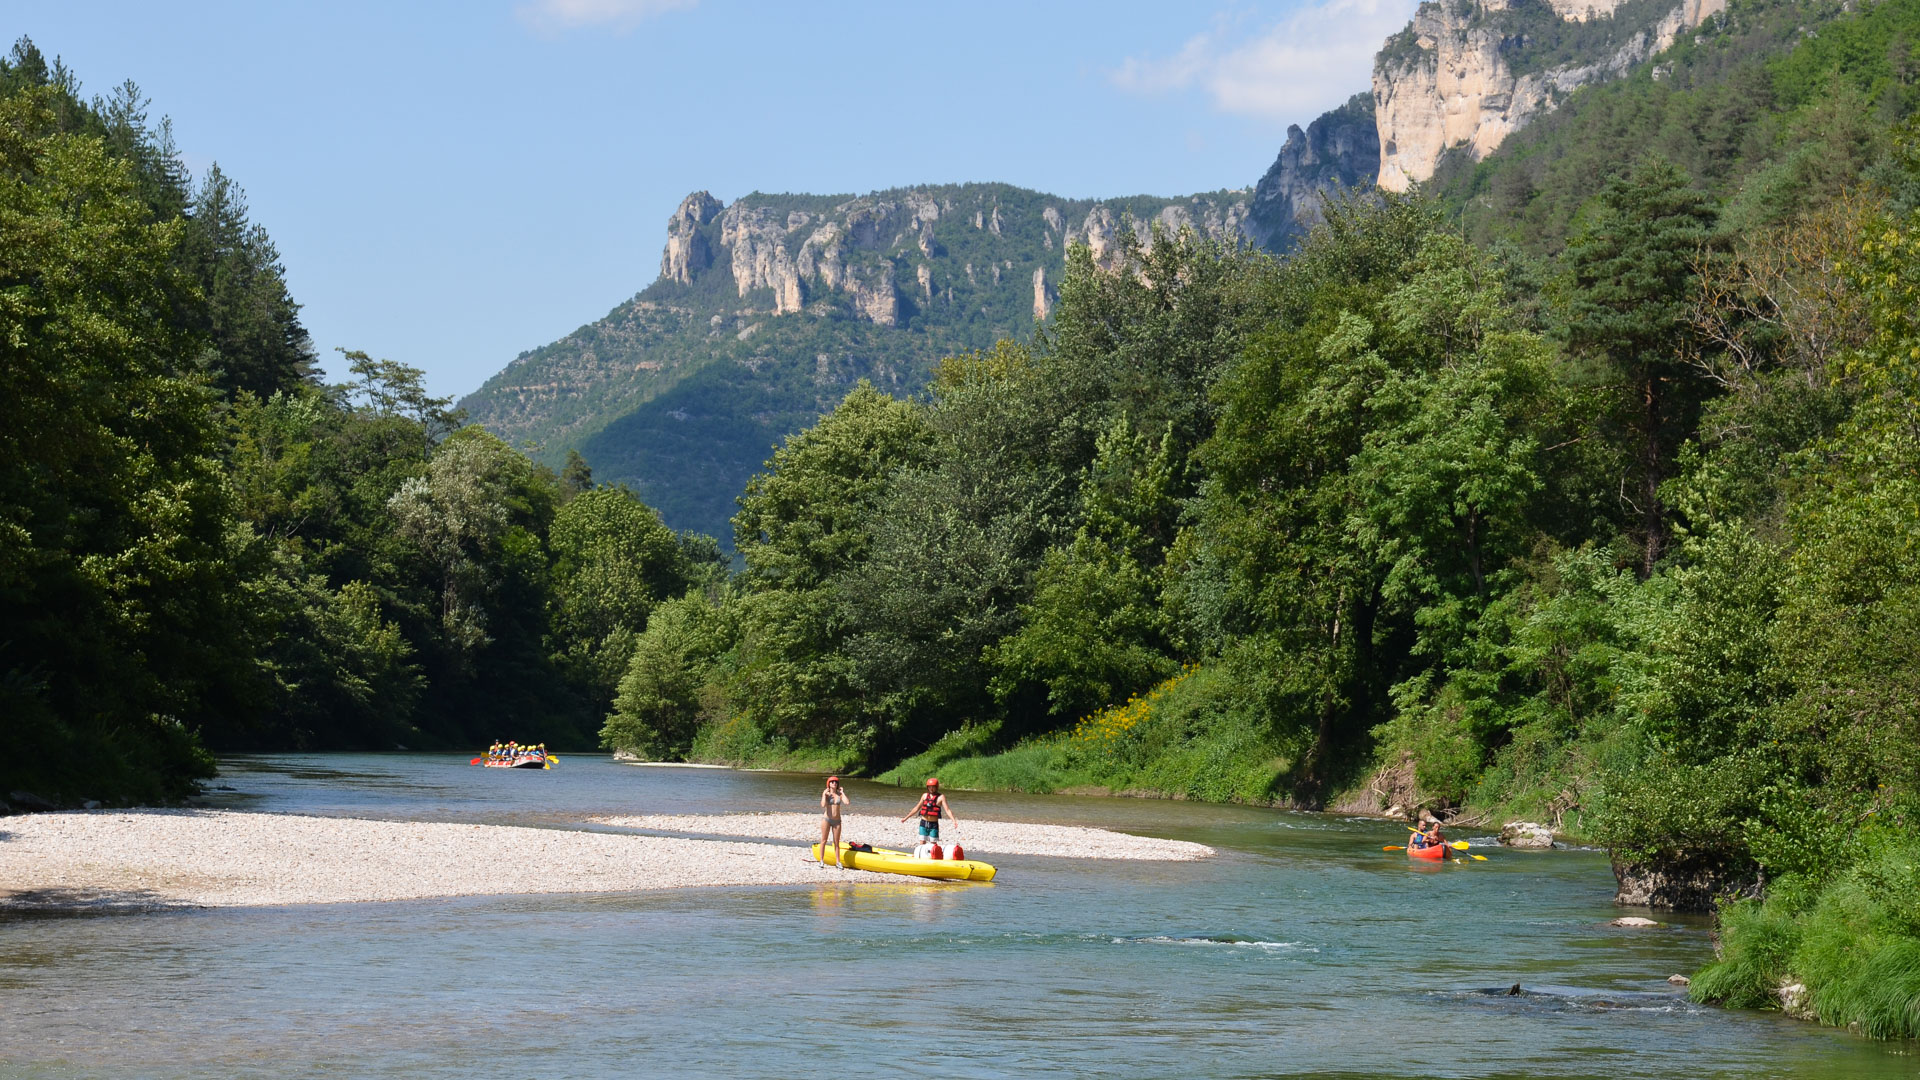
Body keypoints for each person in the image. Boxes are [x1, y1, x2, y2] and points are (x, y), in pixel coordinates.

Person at [901, 778, 955, 845]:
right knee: (922, 842)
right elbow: (916, 808)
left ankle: (934, 854)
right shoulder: (924, 796)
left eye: (933, 787)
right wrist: (906, 818)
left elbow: (947, 810)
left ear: (936, 787)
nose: (931, 789)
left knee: (933, 843)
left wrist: (953, 820)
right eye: (929, 787)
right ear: (927, 787)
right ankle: (921, 854)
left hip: (933, 824)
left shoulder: (941, 797)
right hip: (923, 823)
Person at [818, 776, 851, 866]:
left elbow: (847, 802)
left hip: (837, 821)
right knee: (824, 840)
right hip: (827, 819)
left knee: (836, 842)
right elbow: (823, 805)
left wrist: (842, 793)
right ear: (829, 783)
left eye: (836, 782)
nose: (834, 783)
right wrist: (824, 795)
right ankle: (821, 860)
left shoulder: (839, 795)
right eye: (832, 782)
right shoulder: (827, 794)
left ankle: (838, 861)